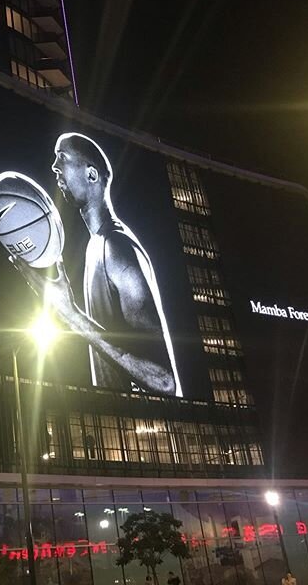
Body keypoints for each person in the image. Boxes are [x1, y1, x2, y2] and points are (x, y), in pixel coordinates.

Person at [13, 132, 182, 396]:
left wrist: (71, 315)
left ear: (92, 175)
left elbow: (164, 381)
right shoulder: (97, 245)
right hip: (124, 429)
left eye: (62, 159)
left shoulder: (116, 247)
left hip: (148, 433)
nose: (54, 167)